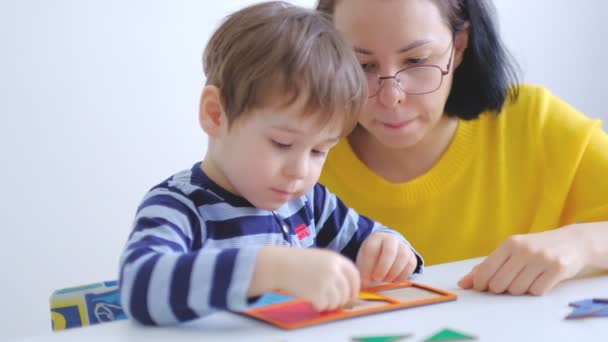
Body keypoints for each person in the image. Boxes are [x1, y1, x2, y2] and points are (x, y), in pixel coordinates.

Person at [118, 1, 422, 326]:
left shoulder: (309, 203)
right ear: (215, 114)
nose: (300, 171)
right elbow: (138, 286)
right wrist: (268, 268)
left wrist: (389, 249)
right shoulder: (179, 206)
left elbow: (372, 240)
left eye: (319, 151)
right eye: (282, 143)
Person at [316, 0, 608, 296]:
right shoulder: (293, 147)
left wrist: (581, 242)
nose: (391, 97)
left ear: (459, 44)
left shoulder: (536, 124)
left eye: (416, 61)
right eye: (363, 65)